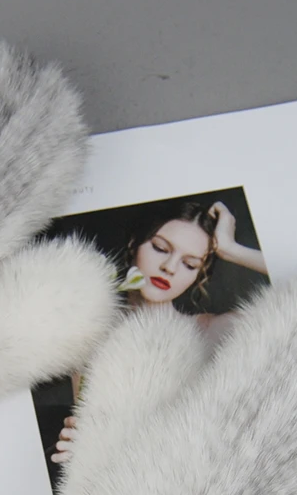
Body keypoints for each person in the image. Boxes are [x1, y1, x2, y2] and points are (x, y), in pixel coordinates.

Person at [51, 198, 266, 464]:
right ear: (134, 245)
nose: (170, 268)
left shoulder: (208, 331)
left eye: (190, 264)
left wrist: (232, 250)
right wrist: (79, 443)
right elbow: (88, 424)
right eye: (160, 248)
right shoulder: (92, 330)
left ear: (198, 276)